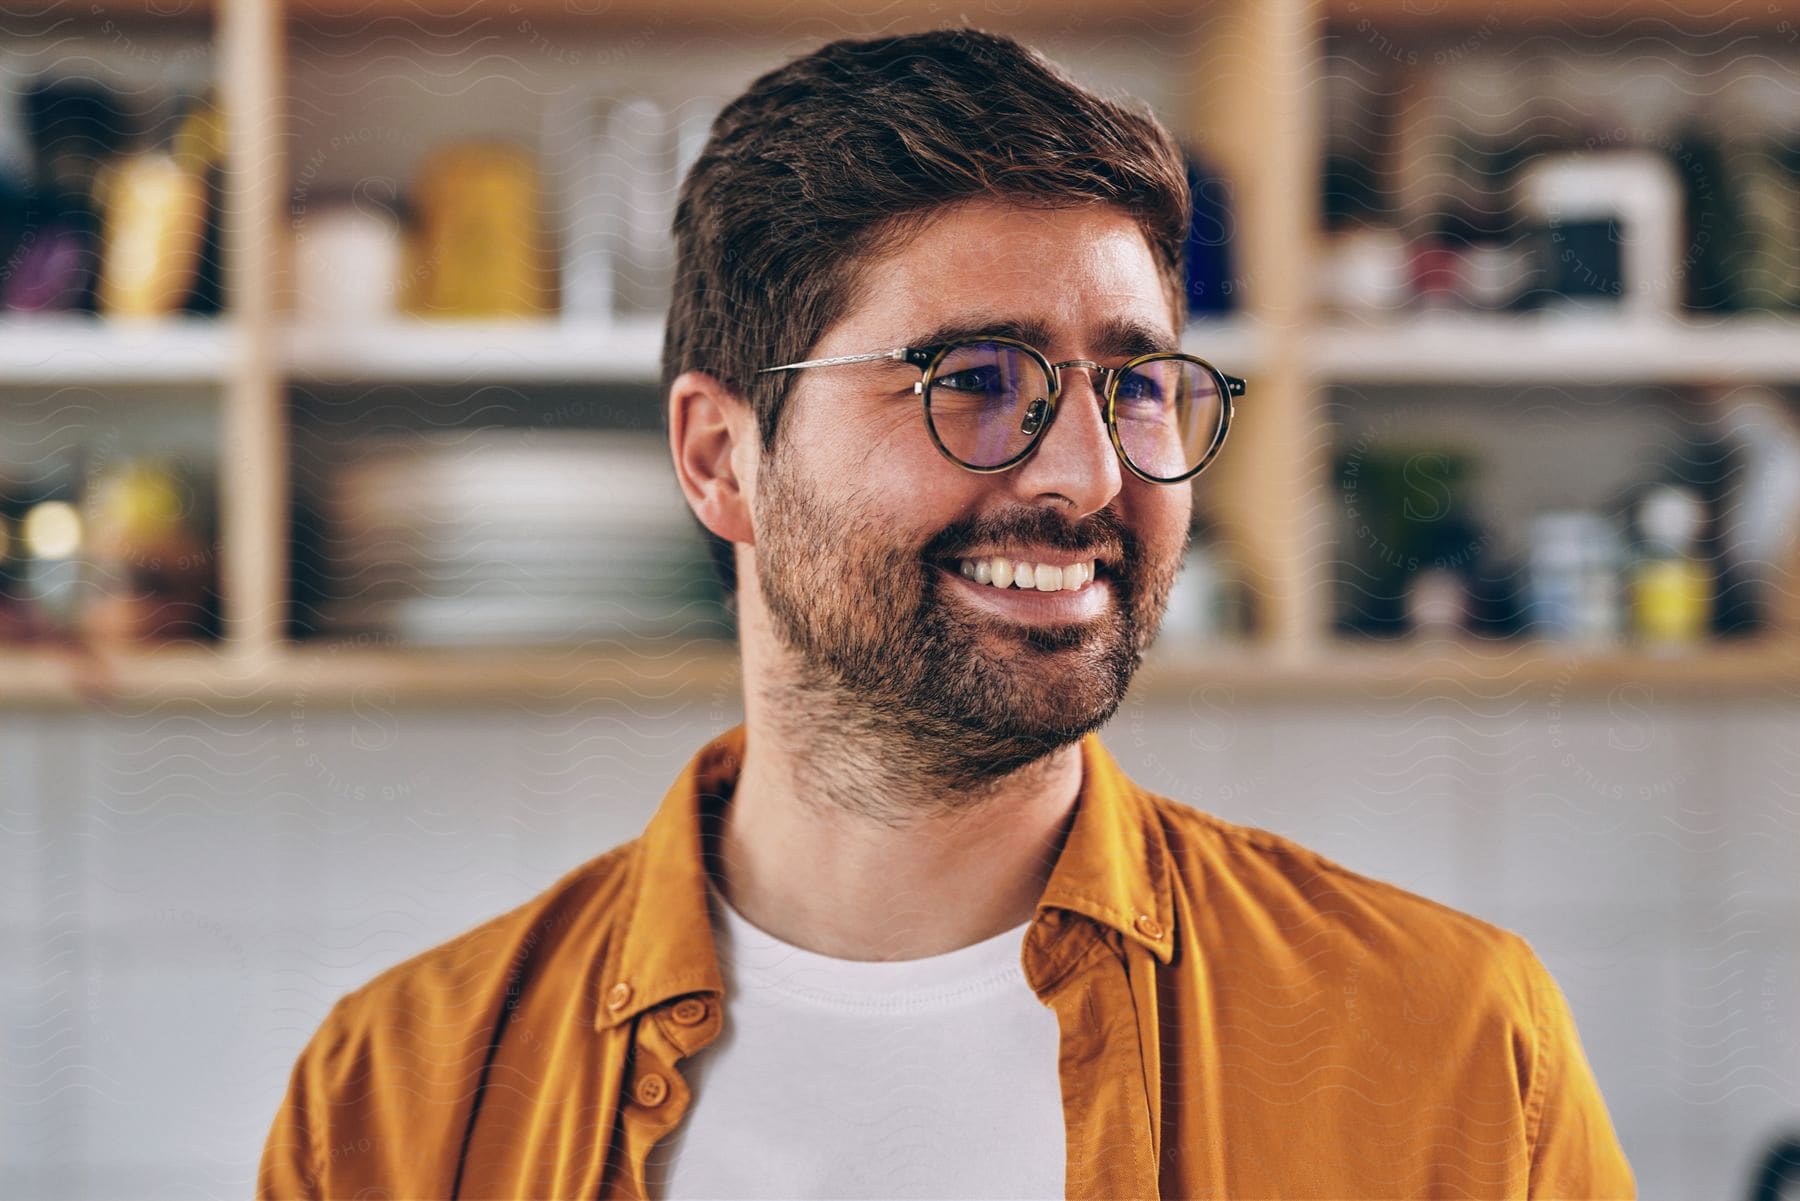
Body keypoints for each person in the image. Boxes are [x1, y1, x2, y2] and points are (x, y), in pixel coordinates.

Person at [258, 28, 1636, 1201]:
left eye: (1137, 385)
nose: (1090, 472)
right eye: (973, 375)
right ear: (720, 458)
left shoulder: (1446, 1050)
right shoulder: (402, 1105)